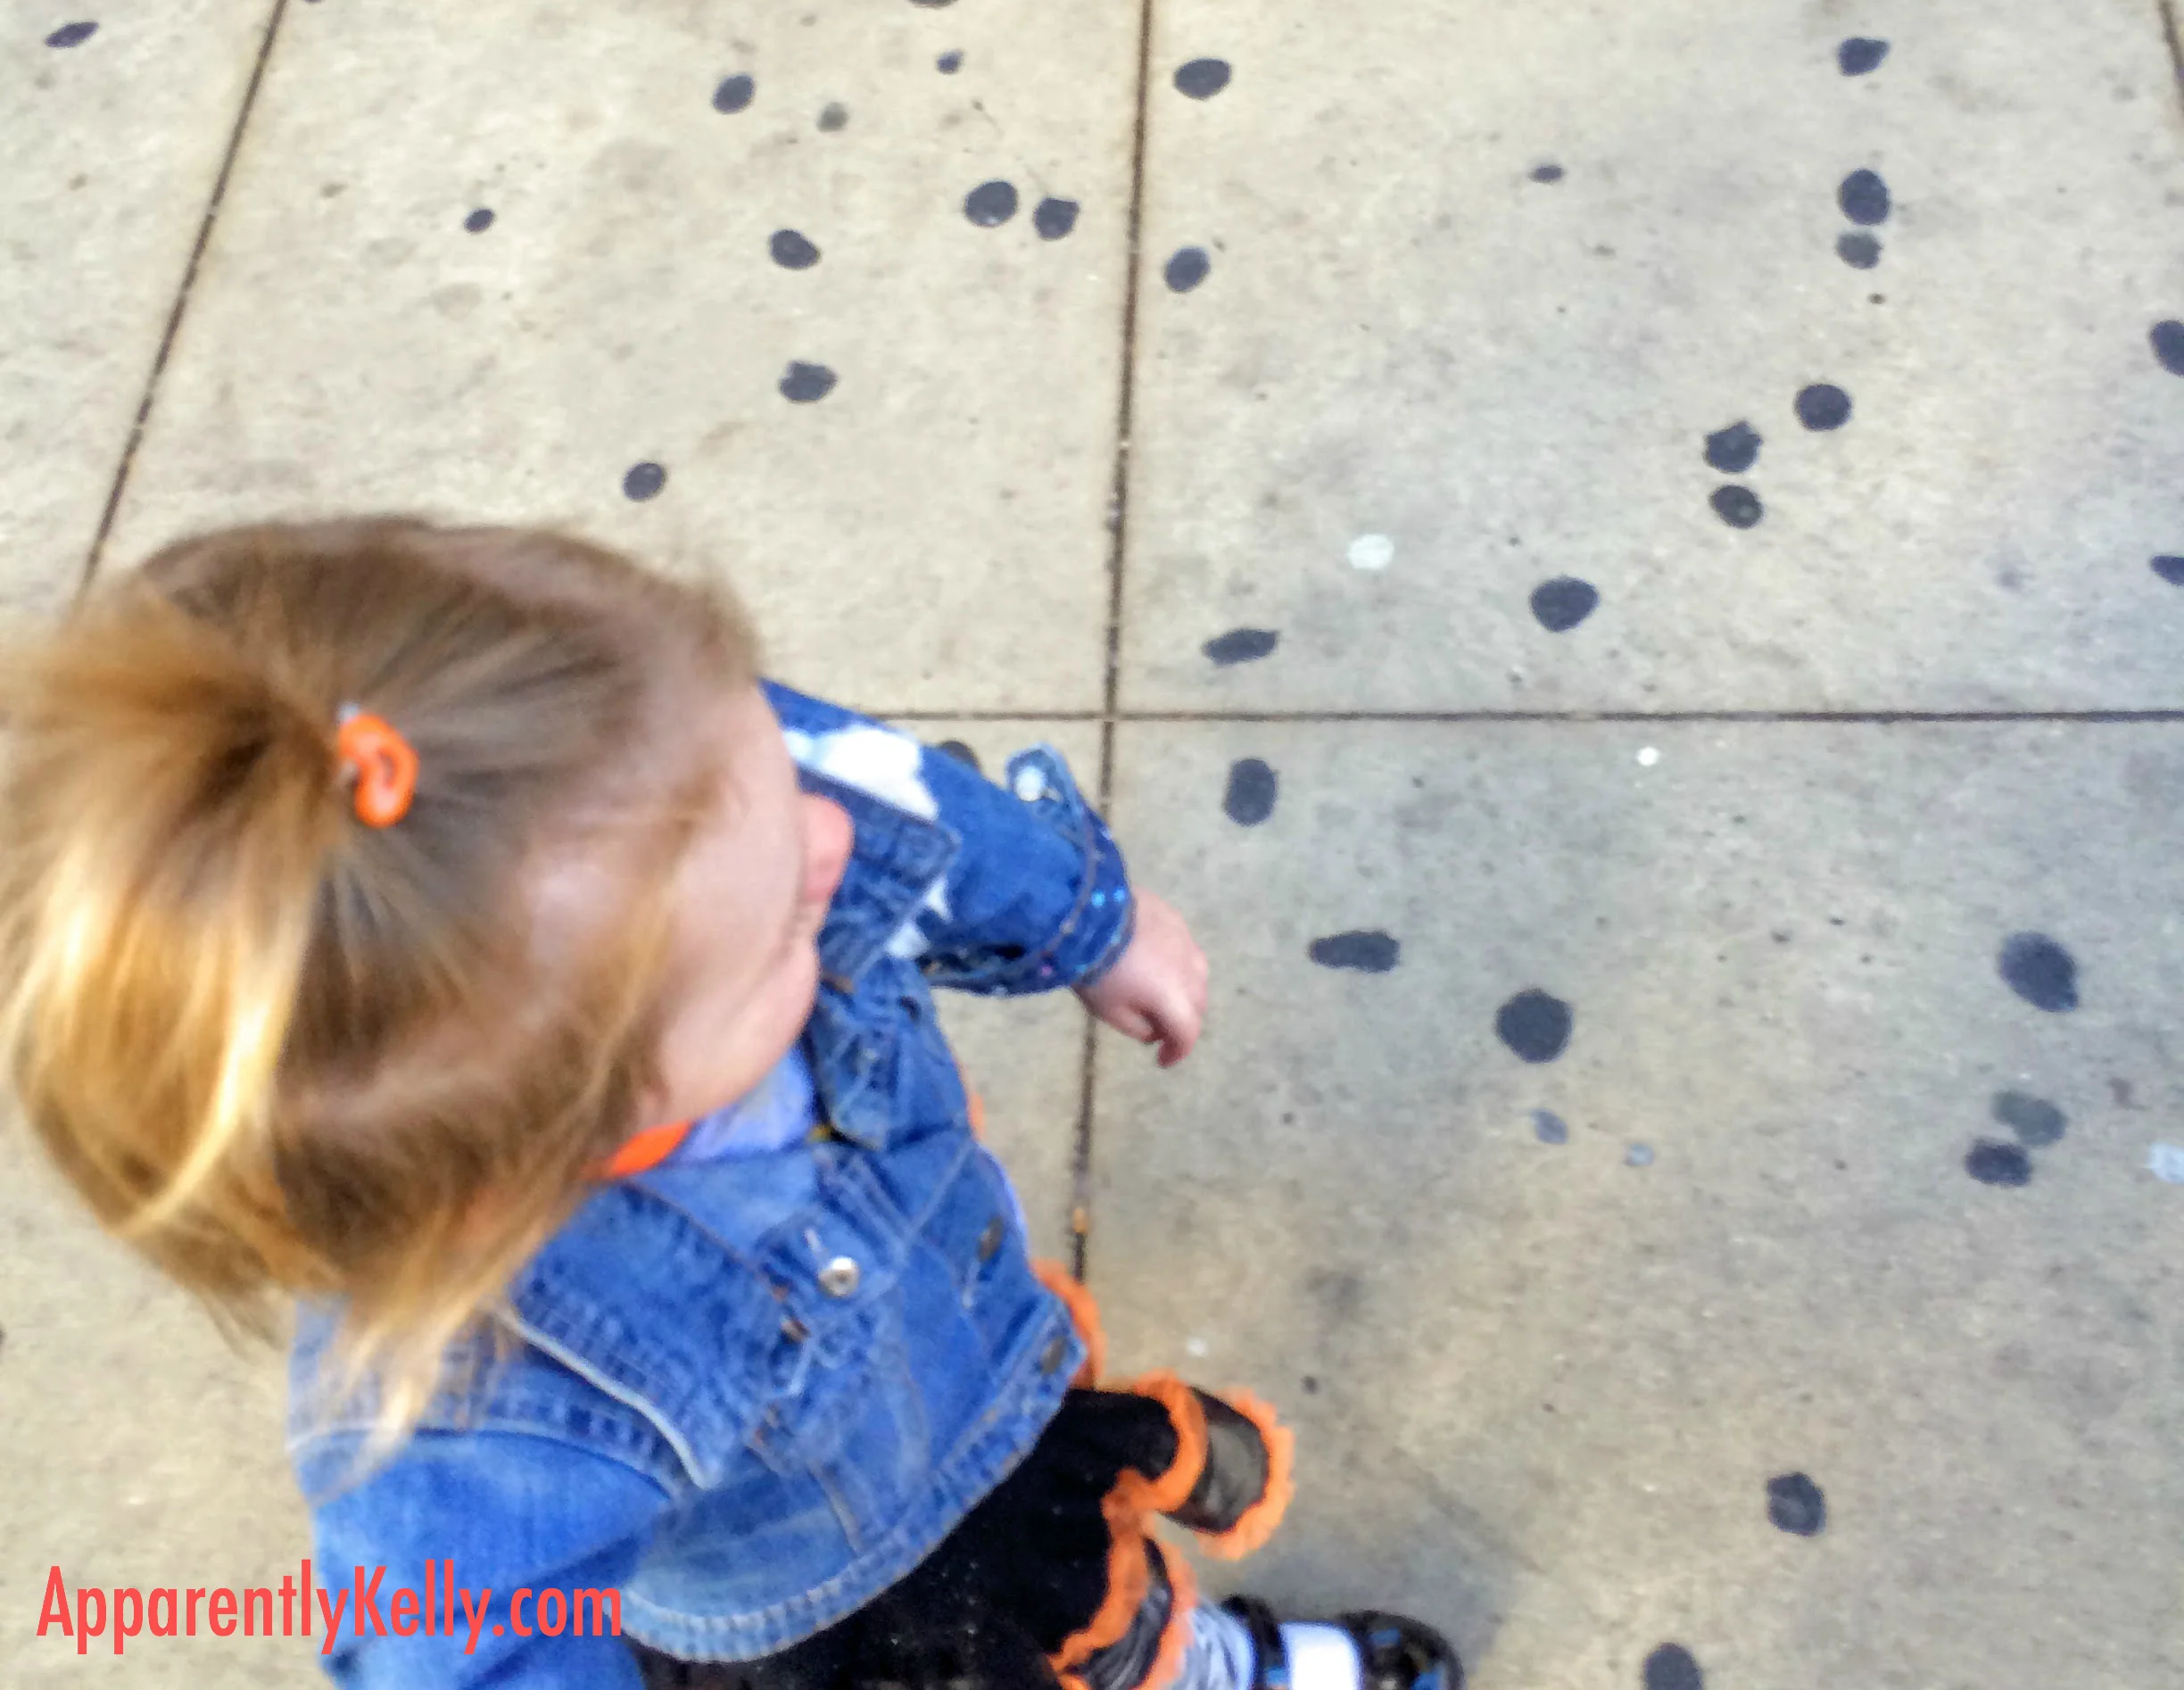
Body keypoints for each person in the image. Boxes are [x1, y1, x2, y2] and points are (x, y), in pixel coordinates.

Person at [0, 515, 1460, 1690]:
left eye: (763, 754)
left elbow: (872, 787)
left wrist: (1083, 918)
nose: (833, 841)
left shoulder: (651, 793)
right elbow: (452, 1647)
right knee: (1050, 1621)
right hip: (850, 1583)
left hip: (959, 1354)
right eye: (781, 930)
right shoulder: (485, 1405)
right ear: (559, 1141)